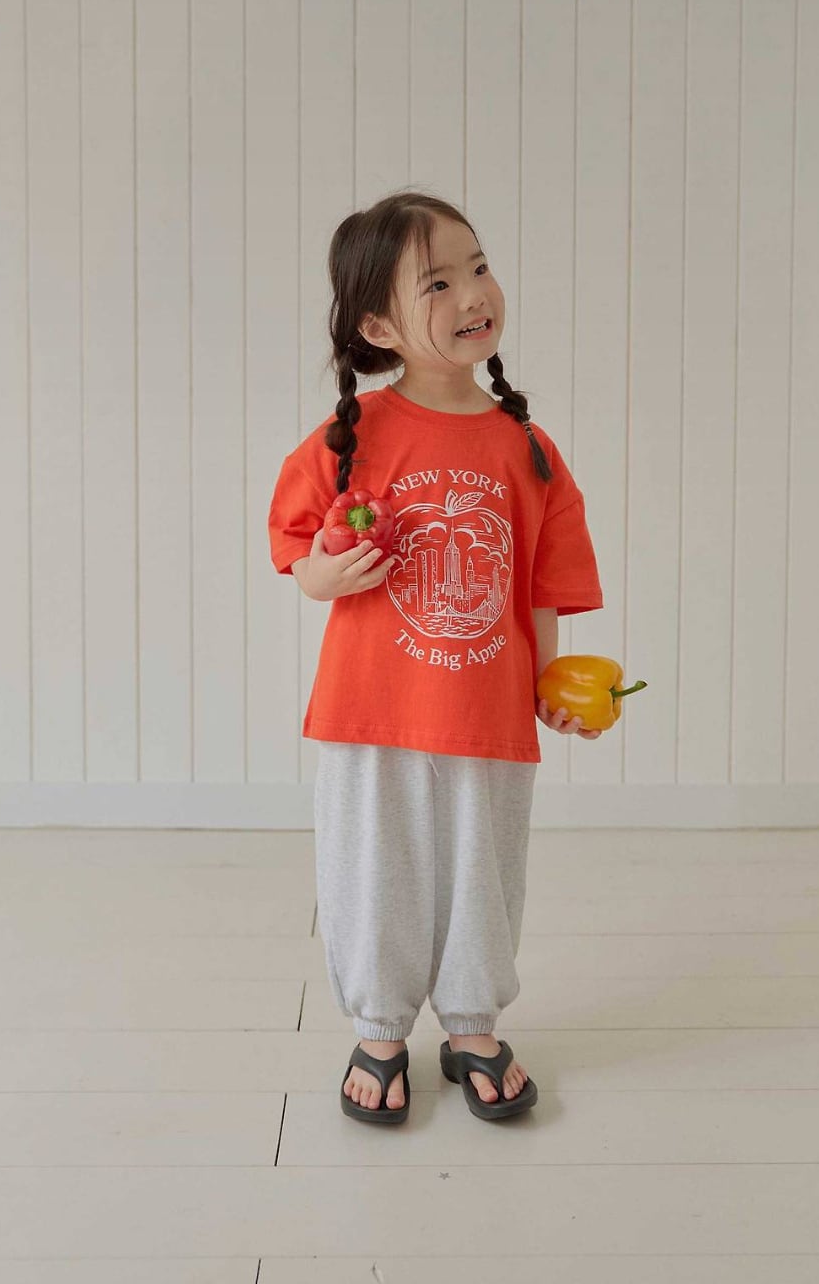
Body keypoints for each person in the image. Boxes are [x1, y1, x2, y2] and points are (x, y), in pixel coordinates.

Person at [267, 189, 605, 1125]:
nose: (473, 294)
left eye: (479, 267)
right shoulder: (352, 438)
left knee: (482, 876)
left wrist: (550, 687)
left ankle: (471, 1021)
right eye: (439, 283)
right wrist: (328, 571)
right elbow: (300, 555)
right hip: (371, 711)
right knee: (372, 871)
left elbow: (541, 587)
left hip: (485, 713)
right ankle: (380, 1029)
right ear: (379, 327)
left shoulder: (528, 448)